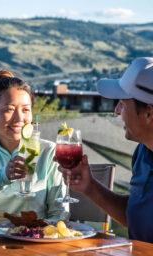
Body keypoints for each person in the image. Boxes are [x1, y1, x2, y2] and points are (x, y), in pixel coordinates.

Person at [59, 57, 153, 243]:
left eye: (123, 104)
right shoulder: (143, 153)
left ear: (149, 113)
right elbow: (136, 215)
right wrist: (90, 186)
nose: (117, 111)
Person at [0, 70, 66, 219]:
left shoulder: (49, 151)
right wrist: (4, 176)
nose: (19, 118)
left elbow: (59, 214)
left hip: (32, 238)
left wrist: (35, 233)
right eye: (9, 109)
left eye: (25, 110)